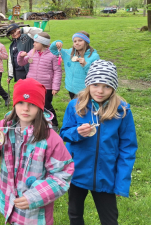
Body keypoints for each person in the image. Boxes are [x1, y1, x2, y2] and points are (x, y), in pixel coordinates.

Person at [0, 78, 74, 224]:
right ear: (15, 103)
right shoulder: (4, 127)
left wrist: (34, 197)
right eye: (21, 103)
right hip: (8, 203)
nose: (25, 109)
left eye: (32, 104)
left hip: (34, 214)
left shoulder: (50, 138)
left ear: (40, 107)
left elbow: (63, 175)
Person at [60, 60, 138, 225]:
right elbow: (64, 134)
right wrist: (77, 133)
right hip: (77, 173)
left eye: (107, 86)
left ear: (114, 88)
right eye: (95, 84)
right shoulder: (75, 106)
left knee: (109, 220)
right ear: (88, 83)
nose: (100, 91)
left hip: (107, 176)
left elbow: (128, 148)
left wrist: (121, 182)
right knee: (74, 214)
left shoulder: (122, 111)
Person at [17, 32, 62, 130]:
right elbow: (21, 63)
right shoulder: (32, 52)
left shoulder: (53, 55)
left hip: (46, 86)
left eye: (36, 42)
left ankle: (53, 123)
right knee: (33, 104)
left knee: (46, 105)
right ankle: (38, 122)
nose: (34, 44)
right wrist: (21, 56)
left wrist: (55, 87)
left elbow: (57, 71)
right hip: (32, 85)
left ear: (43, 43)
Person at [49, 31, 100, 99]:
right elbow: (53, 50)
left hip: (85, 91)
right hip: (71, 88)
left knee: (84, 108)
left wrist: (85, 65)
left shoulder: (93, 56)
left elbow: (96, 75)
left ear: (86, 42)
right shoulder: (69, 53)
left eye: (80, 40)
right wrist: (56, 43)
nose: (77, 43)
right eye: (75, 41)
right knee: (74, 107)